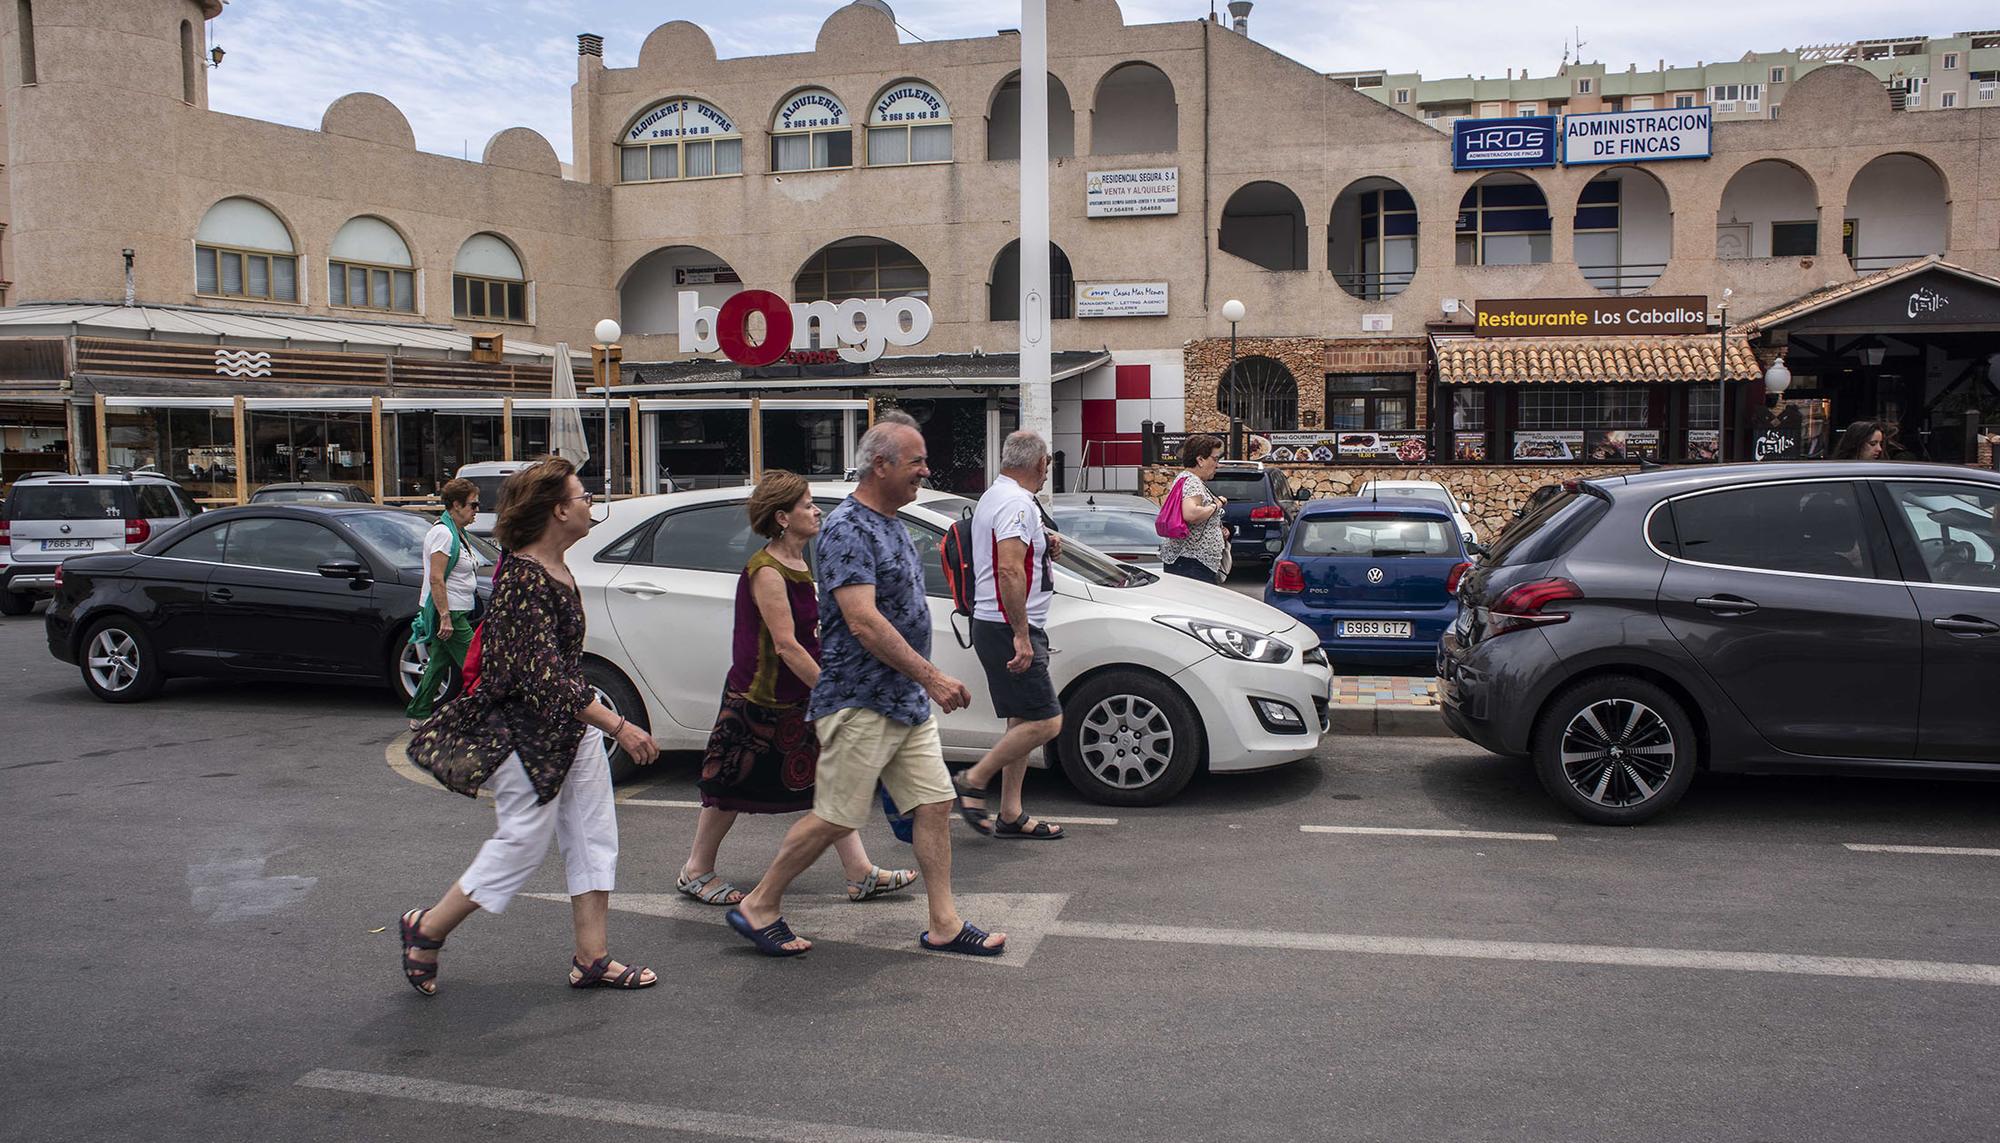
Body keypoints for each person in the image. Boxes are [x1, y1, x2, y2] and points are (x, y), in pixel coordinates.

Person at [724, 412, 1005, 958]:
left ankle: (944, 923)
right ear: (881, 465)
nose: (926, 469)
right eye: (916, 460)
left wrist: (920, 684)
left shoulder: (893, 524)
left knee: (934, 803)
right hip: (860, 700)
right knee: (836, 815)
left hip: (901, 701)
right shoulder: (849, 528)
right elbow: (862, 620)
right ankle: (760, 904)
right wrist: (933, 677)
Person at [398, 456, 662, 995]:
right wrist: (619, 726)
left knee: (594, 836)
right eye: (583, 495)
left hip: (569, 728)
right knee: (521, 840)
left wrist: (594, 723)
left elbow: (559, 669)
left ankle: (592, 958)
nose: (591, 504)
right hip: (523, 734)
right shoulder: (523, 579)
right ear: (558, 509)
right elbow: (540, 676)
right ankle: (426, 929)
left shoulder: (557, 569)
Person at [680, 469, 918, 907]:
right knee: (729, 788)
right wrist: (831, 692)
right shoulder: (767, 571)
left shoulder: (801, 561)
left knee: (829, 783)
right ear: (782, 518)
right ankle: (696, 870)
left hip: (797, 696)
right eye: (807, 504)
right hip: (760, 698)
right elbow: (787, 645)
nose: (817, 511)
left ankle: (859, 872)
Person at [951, 430, 1065, 840]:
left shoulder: (998, 496)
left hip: (1000, 623)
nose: (1048, 468)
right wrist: (1020, 635)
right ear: (1039, 464)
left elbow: (1012, 555)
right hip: (1008, 626)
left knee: (1022, 718)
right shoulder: (1017, 502)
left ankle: (1011, 813)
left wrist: (1043, 543)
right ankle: (973, 780)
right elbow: (1008, 569)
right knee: (1047, 723)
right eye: (1048, 462)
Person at [405, 478, 484, 730]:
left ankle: (418, 714)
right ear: (456, 505)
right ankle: (486, 715)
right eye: (473, 505)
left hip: (456, 610)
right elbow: (436, 578)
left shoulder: (457, 532)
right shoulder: (443, 533)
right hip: (451, 614)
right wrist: (446, 616)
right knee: (476, 664)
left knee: (438, 663)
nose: (476, 510)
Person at [1158, 433, 1229, 584]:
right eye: (1215, 459)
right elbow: (1191, 514)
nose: (1217, 464)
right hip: (1192, 564)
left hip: (1189, 562)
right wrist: (1216, 505)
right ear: (1200, 460)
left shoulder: (1186, 478)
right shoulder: (1193, 482)